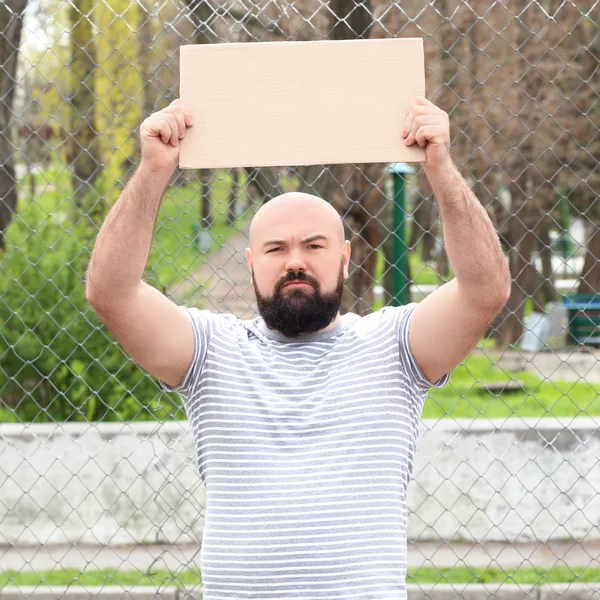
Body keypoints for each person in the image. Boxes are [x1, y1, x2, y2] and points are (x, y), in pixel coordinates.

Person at [86, 97, 511, 599]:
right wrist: (154, 170)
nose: (295, 261)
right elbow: (110, 293)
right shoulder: (211, 351)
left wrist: (441, 169)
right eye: (275, 248)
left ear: (345, 257)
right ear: (250, 262)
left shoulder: (394, 346)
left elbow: (486, 292)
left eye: (314, 246)